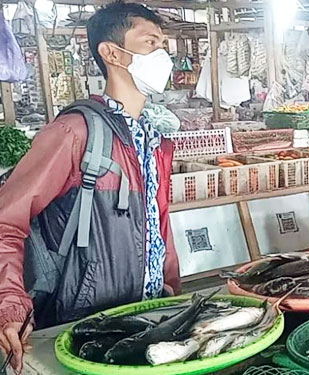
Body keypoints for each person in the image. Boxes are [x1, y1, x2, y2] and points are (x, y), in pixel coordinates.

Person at [0, 2, 181, 371]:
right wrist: (9, 301)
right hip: (79, 323)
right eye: (150, 43)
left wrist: (169, 288)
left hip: (142, 317)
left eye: (164, 44)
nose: (162, 55)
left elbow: (159, 221)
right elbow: (6, 220)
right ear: (112, 52)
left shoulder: (155, 139)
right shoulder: (75, 132)